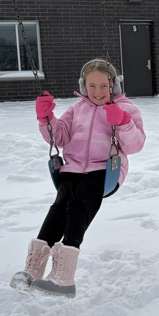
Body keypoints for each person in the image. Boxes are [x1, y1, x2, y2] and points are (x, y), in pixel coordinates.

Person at [10, 59, 146, 297]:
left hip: (104, 170)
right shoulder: (77, 109)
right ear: (84, 86)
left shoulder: (127, 108)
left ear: (113, 85)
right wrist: (47, 120)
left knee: (77, 207)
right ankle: (32, 271)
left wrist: (123, 122)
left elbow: (136, 144)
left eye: (103, 86)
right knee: (58, 208)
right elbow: (59, 137)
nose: (98, 92)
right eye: (92, 86)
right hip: (71, 169)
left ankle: (64, 278)